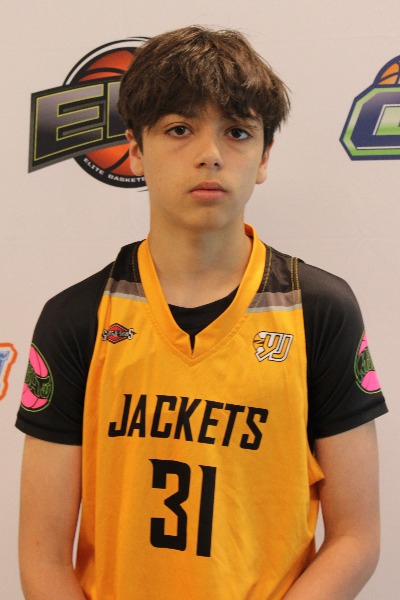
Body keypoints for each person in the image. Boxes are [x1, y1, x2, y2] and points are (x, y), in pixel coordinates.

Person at [16, 26, 387, 600]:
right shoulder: (76, 319)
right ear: (135, 150)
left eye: (237, 132)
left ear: (264, 157)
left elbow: (356, 538)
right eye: (179, 129)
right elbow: (41, 557)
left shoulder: (319, 311)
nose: (211, 154)